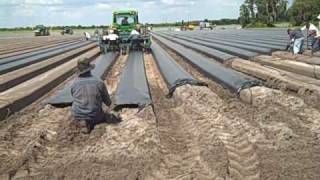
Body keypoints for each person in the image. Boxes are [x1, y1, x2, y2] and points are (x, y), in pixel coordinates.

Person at [71, 58, 112, 133]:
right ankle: (92, 121)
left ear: (79, 71)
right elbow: (107, 101)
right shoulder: (99, 82)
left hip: (78, 114)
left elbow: (73, 97)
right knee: (104, 115)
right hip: (95, 114)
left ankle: (83, 120)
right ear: (90, 69)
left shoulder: (74, 84)